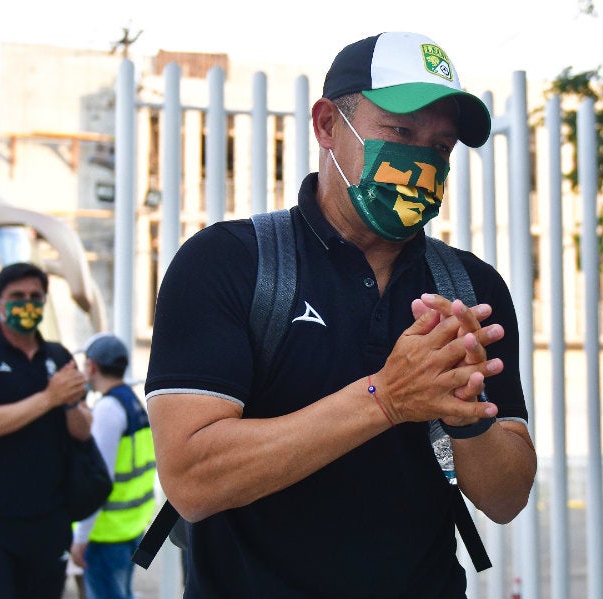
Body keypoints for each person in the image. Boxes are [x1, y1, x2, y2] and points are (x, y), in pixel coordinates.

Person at [145, 31, 537, 598]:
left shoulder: (469, 288)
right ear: (328, 125)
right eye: (401, 133)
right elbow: (193, 480)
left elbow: (506, 499)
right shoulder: (228, 263)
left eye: (442, 146)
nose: (421, 161)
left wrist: (466, 412)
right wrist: (388, 398)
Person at [0, 262, 91, 599]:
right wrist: (49, 397)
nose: (27, 304)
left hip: (49, 520)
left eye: (35, 297)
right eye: (17, 296)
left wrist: (71, 403)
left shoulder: (57, 355)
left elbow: (83, 433)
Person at [70, 333, 156, 599]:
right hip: (131, 526)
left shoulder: (108, 410)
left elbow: (98, 480)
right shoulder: (132, 402)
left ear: (92, 367)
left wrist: (80, 537)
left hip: (107, 534)